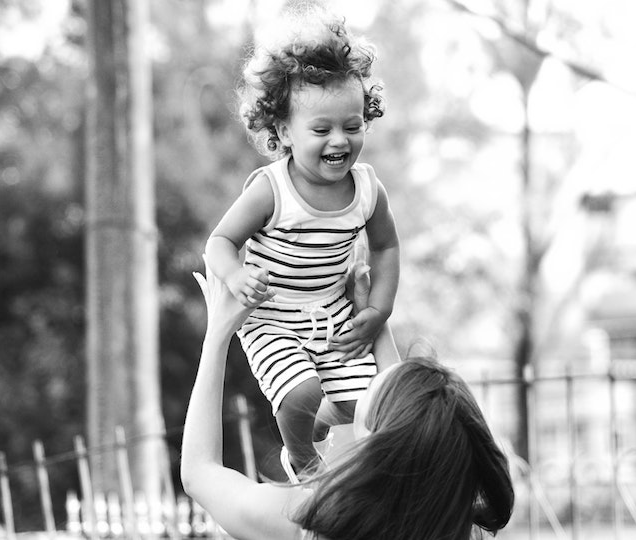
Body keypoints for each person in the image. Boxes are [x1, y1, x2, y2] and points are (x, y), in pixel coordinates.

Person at [181, 259, 515, 540]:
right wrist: (370, 319)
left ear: (377, 442)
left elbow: (199, 472)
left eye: (371, 388)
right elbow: (409, 422)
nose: (367, 380)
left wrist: (218, 333)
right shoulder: (460, 527)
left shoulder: (307, 522)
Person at [204, 7, 400, 479]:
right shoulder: (271, 189)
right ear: (284, 131)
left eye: (352, 126)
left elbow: (387, 248)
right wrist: (236, 275)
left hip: (332, 311)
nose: (339, 140)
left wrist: (378, 310)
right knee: (300, 393)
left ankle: (317, 423)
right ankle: (305, 463)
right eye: (321, 129)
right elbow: (219, 242)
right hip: (272, 315)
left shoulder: (368, 189)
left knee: (365, 405)